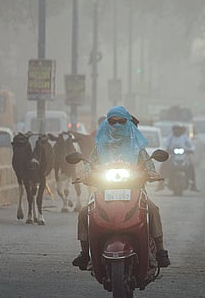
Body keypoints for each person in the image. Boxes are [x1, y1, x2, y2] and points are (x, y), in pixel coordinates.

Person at [72, 106, 171, 269]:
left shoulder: (136, 146)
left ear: (128, 123)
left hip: (135, 191)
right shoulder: (99, 147)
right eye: (112, 121)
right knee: (84, 213)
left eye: (121, 121)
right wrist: (85, 175)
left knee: (153, 210)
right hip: (104, 191)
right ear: (107, 124)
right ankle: (85, 253)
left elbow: (149, 165)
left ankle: (160, 250)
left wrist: (152, 174)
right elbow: (90, 166)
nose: (117, 125)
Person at [156, 125, 200, 191]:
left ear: (181, 131)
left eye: (178, 130)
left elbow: (191, 145)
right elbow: (164, 145)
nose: (177, 131)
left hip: (183, 157)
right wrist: (166, 150)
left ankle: (193, 185)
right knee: (163, 165)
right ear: (173, 130)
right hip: (172, 157)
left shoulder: (185, 137)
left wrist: (191, 150)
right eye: (175, 130)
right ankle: (160, 184)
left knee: (191, 166)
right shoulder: (170, 138)